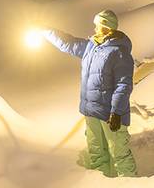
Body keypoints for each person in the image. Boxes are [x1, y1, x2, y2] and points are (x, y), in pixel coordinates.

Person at [42, 10, 138, 178]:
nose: (95, 28)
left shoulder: (119, 52)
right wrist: (44, 30)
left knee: (120, 154)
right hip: (91, 111)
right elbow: (68, 43)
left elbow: (123, 85)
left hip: (111, 114)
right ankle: (100, 185)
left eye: (98, 25)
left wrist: (116, 112)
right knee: (96, 153)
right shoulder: (91, 46)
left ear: (107, 28)